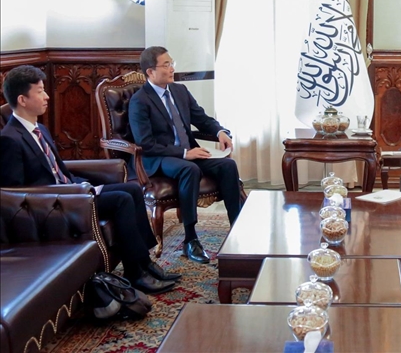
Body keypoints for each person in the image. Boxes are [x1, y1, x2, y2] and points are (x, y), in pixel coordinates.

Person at [0, 65, 180, 294]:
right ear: (22, 100)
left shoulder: (40, 129)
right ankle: (135, 273)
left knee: (133, 190)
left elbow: (59, 171)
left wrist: (84, 185)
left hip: (72, 191)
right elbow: (15, 194)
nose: (46, 96)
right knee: (121, 200)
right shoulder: (9, 140)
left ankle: (145, 263)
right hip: (56, 205)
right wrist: (75, 191)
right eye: (40, 91)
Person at [128, 46, 242, 264]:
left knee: (228, 166)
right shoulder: (140, 101)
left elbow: (202, 119)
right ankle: (190, 240)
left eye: (172, 63)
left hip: (188, 151)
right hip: (159, 157)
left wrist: (220, 132)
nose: (172, 68)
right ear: (150, 72)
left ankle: (236, 226)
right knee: (189, 169)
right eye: (166, 65)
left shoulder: (180, 91)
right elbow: (145, 144)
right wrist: (183, 153)